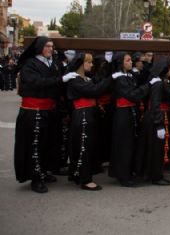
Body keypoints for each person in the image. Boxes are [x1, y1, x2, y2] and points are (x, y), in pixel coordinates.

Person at [14, 37, 77, 193]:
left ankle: (44, 171)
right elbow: (36, 82)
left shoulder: (53, 63)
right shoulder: (30, 64)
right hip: (33, 111)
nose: (51, 49)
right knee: (35, 145)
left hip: (50, 110)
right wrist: (60, 79)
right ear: (40, 47)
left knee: (48, 144)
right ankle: (35, 178)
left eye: (52, 46)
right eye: (48, 46)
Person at [66, 53, 112, 191]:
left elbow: (97, 80)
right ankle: (85, 179)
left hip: (87, 113)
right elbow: (95, 90)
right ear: (81, 64)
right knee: (83, 147)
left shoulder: (85, 78)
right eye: (89, 63)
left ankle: (79, 174)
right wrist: (110, 79)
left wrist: (108, 67)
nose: (91, 65)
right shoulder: (75, 80)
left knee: (87, 146)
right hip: (82, 115)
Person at [108, 52, 150, 187]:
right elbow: (132, 95)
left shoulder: (130, 75)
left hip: (131, 112)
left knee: (131, 143)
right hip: (123, 114)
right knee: (124, 145)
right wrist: (147, 86)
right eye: (127, 60)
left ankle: (129, 171)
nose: (131, 62)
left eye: (131, 60)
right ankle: (123, 176)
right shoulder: (119, 79)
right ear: (120, 62)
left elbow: (142, 77)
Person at [136, 57, 170, 186]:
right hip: (155, 117)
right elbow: (155, 104)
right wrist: (158, 124)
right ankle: (155, 176)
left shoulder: (163, 81)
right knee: (156, 148)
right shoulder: (158, 83)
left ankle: (155, 173)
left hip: (160, 115)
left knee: (158, 147)